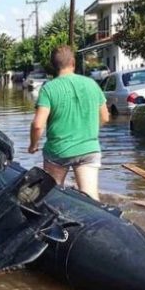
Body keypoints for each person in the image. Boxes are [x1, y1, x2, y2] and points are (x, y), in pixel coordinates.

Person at [28, 45, 110, 201]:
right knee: (91, 200)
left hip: (59, 152)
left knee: (52, 198)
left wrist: (33, 145)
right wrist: (87, 130)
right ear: (73, 62)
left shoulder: (48, 89)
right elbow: (105, 117)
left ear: (53, 66)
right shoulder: (92, 84)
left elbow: (38, 125)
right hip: (89, 149)